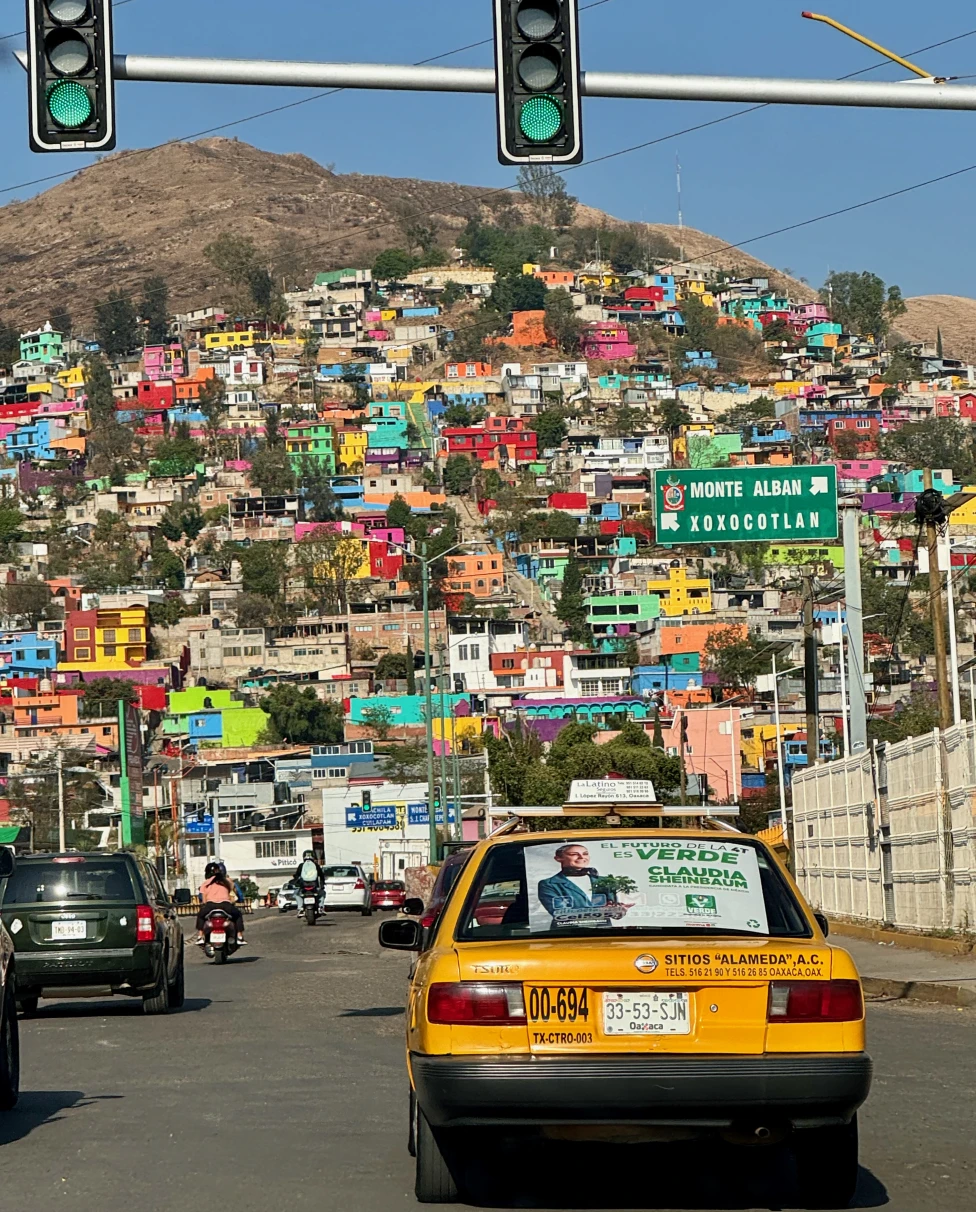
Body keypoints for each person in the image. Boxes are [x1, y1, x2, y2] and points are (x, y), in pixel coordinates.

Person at [536, 844, 628, 925]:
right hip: (567, 935)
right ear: (558, 858)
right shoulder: (549, 884)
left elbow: (615, 912)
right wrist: (603, 911)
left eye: (585, 854)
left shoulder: (605, 881)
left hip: (603, 935)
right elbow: (559, 913)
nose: (581, 857)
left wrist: (619, 910)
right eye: (574, 854)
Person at [195, 862, 247, 945]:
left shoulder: (205, 884)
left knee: (200, 916)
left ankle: (200, 936)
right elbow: (233, 894)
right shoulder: (227, 881)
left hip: (210, 905)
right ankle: (240, 936)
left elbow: (204, 901)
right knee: (238, 915)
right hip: (225, 905)